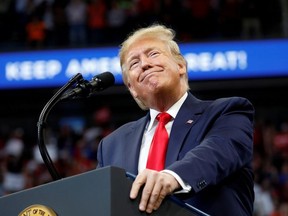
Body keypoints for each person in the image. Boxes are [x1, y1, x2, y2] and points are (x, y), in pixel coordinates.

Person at [97, 24, 255, 216]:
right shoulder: (111, 145)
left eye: (153, 54)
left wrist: (172, 177)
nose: (145, 64)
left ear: (180, 66)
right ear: (132, 88)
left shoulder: (227, 112)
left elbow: (217, 151)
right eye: (134, 63)